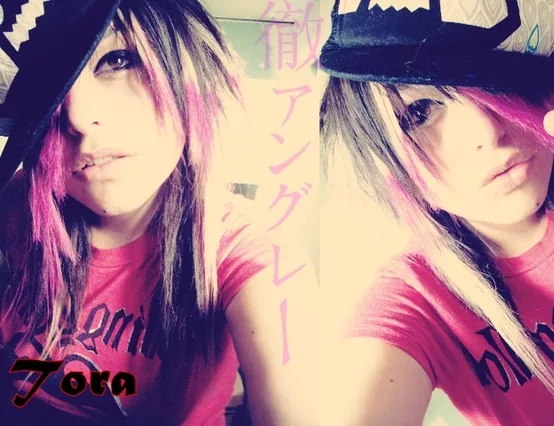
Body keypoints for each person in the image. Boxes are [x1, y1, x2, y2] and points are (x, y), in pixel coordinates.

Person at [319, 0, 554, 425]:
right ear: (384, 161)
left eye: (500, 81)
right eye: (419, 112)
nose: (489, 131)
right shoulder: (418, 299)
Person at [0, 1, 317, 425]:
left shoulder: (247, 256)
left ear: (189, 66)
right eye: (48, 85)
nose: (77, 116)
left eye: (118, 60)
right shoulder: (16, 206)